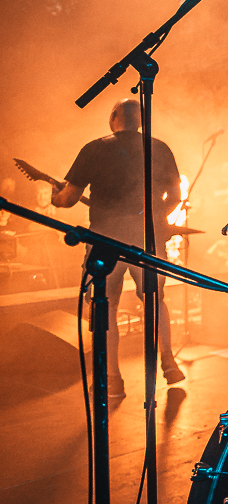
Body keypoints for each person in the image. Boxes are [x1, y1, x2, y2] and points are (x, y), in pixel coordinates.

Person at [52, 98, 185, 396]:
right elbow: (176, 196)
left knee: (105, 304)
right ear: (140, 120)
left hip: (105, 240)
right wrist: (155, 217)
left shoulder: (94, 148)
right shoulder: (159, 147)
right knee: (154, 299)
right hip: (147, 239)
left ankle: (112, 378)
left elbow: (69, 198)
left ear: (113, 116)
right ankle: (168, 361)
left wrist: (55, 197)